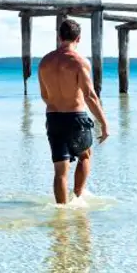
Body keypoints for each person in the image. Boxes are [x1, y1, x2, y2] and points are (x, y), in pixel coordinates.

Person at [37, 17, 110, 205]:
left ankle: (61, 212)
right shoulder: (79, 62)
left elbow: (44, 94)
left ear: (59, 36)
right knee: (85, 155)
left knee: (60, 171)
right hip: (76, 117)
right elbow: (90, 96)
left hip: (53, 117)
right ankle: (78, 197)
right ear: (78, 39)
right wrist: (104, 122)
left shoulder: (45, 62)